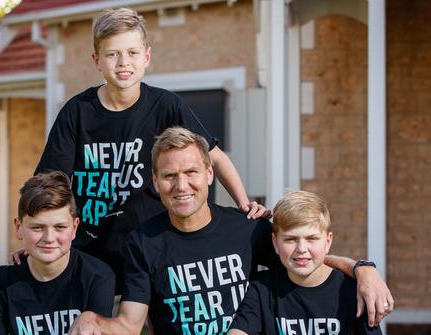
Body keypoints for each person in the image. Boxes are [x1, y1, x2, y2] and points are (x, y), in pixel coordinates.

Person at [66, 128, 393, 335]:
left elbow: (303, 257)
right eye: (170, 176)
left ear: (210, 173)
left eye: (191, 171)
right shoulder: (142, 241)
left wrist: (361, 269)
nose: (182, 185)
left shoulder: (246, 229)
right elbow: (129, 328)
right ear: (155, 182)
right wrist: (89, 320)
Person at [31, 8, 268, 284]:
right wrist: (35, 237)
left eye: (132, 53)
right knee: (94, 325)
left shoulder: (166, 106)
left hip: (155, 245)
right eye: (112, 54)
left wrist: (244, 204)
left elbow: (214, 157)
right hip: (92, 250)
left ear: (147, 57)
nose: (123, 63)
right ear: (96, 60)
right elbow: (50, 184)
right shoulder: (77, 112)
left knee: (164, 323)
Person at [207, 190, 392, 335]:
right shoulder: (263, 288)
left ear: (328, 241)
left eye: (312, 238)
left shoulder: (352, 290)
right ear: (275, 243)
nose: (301, 248)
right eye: (290, 239)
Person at [0, 172, 115, 335]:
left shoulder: (97, 276)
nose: (49, 238)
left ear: (74, 228)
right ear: (18, 227)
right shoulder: (3, 282)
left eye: (59, 227)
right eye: (37, 228)